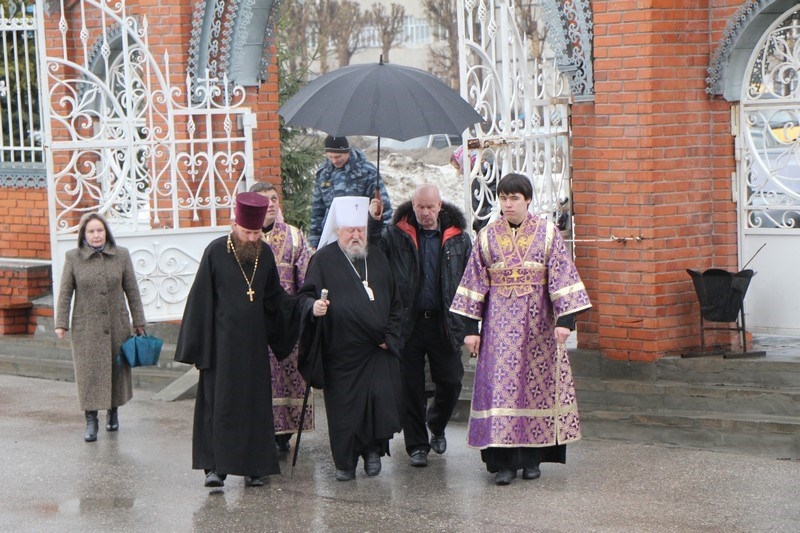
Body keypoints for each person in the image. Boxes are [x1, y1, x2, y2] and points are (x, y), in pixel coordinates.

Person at [449, 173, 592, 486]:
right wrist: (471, 329)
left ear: (527, 199)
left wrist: (566, 322)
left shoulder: (548, 233)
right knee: (501, 393)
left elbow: (563, 276)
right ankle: (503, 464)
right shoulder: (486, 236)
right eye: (503, 198)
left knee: (535, 392)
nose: (508, 204)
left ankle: (532, 460)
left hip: (539, 328)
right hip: (498, 332)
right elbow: (473, 284)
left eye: (514, 198)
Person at [174, 191, 312, 488]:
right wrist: (199, 348)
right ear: (235, 225)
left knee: (253, 406)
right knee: (219, 407)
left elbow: (275, 301)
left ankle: (254, 466)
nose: (252, 238)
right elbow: (200, 301)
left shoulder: (264, 257)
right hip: (220, 347)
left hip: (252, 346)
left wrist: (303, 307)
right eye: (247, 232)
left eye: (256, 232)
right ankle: (215, 468)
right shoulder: (215, 252)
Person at [299, 196, 403, 481]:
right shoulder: (323, 260)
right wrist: (313, 308)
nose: (356, 235)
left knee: (377, 404)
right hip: (342, 353)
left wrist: (389, 336)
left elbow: (396, 302)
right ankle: (345, 462)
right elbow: (305, 297)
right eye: (350, 231)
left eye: (360, 230)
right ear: (338, 231)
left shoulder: (377, 258)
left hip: (377, 349)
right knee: (345, 411)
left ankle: (372, 453)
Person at [378, 184, 471, 467]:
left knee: (452, 380)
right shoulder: (395, 235)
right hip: (409, 322)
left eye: (431, 207)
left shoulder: (459, 239)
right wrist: (373, 220)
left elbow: (470, 281)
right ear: (413, 205)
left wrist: (471, 325)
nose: (425, 213)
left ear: (440, 206)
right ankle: (417, 445)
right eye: (420, 207)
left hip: (445, 322)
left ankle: (437, 424)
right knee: (410, 386)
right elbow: (373, 254)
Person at [55, 212, 146, 443]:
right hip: (86, 327)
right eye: (91, 231)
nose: (96, 235)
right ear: (84, 235)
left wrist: (139, 322)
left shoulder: (121, 256)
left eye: (100, 231)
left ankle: (113, 411)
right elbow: (65, 293)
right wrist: (61, 323)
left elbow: (132, 291)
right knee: (90, 374)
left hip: (117, 324)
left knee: (115, 370)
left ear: (106, 233)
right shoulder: (73, 258)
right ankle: (91, 419)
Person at [249, 182, 312, 453]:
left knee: (287, 379)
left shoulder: (294, 236)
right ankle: (260, 430)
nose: (271, 204)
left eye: (274, 198)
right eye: (264, 200)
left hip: (286, 321)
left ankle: (284, 434)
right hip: (253, 322)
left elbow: (306, 278)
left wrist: (301, 311)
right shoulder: (244, 237)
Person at [308, 135, 393, 249]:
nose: (334, 161)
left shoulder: (366, 172)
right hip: (332, 237)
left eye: (338, 156)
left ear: (347, 152)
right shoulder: (324, 173)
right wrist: (315, 241)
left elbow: (383, 207)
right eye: (330, 157)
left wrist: (382, 239)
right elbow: (317, 209)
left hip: (360, 238)